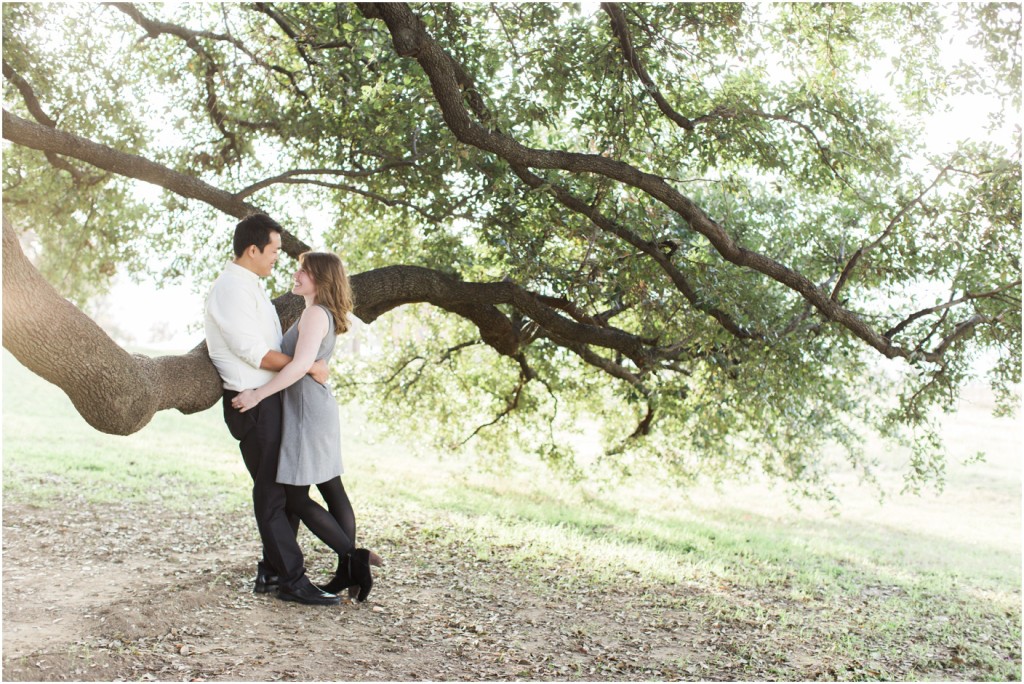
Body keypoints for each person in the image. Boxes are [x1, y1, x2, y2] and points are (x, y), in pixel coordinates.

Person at [205, 213, 340, 606]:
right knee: (271, 495)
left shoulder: (250, 287)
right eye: (275, 250)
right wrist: (309, 366)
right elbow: (255, 353)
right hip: (252, 402)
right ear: (253, 250)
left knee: (280, 489)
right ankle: (291, 580)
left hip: (269, 399)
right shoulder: (231, 289)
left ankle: (272, 571)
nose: (279, 258)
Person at [232, 251, 379, 602]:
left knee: (296, 496)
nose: (296, 275)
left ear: (322, 280)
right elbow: (309, 365)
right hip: (313, 409)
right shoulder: (317, 313)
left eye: (304, 272)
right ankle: (348, 569)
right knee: (331, 488)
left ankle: (354, 559)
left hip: (306, 413)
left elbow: (299, 366)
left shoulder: (315, 314)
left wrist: (257, 395)